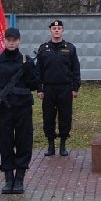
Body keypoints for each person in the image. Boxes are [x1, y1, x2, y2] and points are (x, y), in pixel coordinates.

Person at [0, 26, 40, 194]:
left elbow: (35, 84)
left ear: (19, 41)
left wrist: (29, 70)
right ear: (4, 40)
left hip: (23, 107)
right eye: (8, 40)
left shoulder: (26, 61)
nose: (11, 43)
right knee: (5, 142)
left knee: (24, 141)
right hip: (4, 109)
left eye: (14, 40)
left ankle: (20, 178)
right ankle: (8, 178)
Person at [35, 19, 81, 157]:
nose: (56, 31)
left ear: (62, 31)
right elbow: (38, 71)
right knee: (48, 117)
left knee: (65, 116)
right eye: (54, 29)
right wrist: (39, 89)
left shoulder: (70, 48)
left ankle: (63, 145)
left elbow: (75, 69)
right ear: (50, 31)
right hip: (49, 89)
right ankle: (50, 145)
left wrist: (75, 88)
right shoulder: (43, 49)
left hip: (65, 88)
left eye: (59, 28)